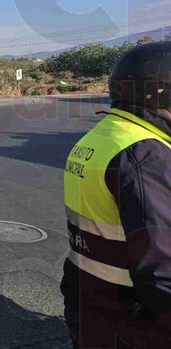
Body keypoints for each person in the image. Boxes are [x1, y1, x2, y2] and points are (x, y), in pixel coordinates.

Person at [61, 41, 171, 348]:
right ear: (161, 93)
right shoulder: (147, 157)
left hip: (87, 301)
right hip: (132, 321)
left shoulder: (100, 137)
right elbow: (162, 275)